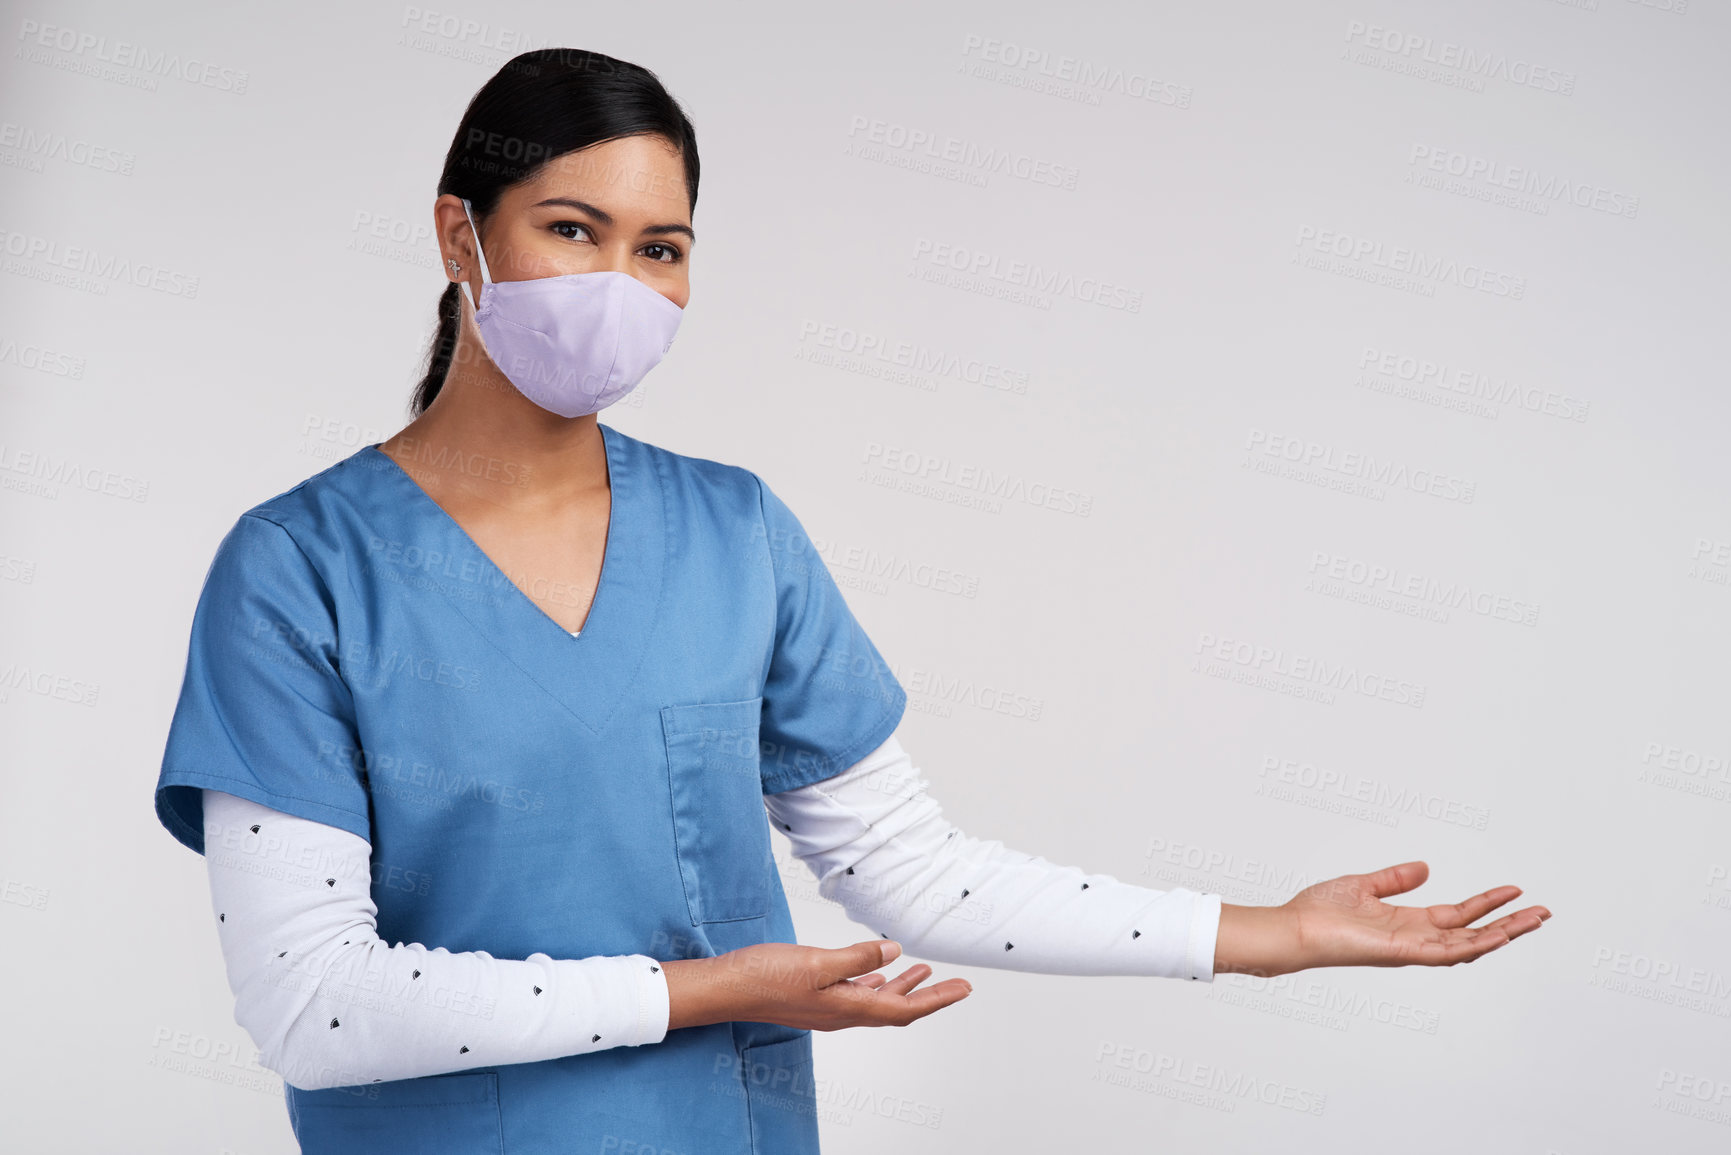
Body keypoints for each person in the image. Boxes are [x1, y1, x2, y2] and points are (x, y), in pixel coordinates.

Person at [151, 47, 1551, 1155]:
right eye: (574, 230)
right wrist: (712, 991)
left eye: (662, 247)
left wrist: (1265, 937)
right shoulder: (301, 571)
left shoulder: (731, 532)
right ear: (463, 235)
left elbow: (909, 870)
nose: (625, 286)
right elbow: (315, 1006)